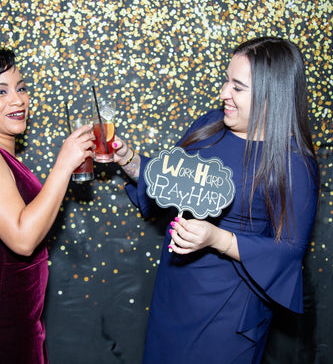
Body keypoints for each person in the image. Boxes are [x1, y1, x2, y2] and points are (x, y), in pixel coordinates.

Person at [112, 37, 319, 363]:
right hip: (176, 290)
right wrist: (130, 160)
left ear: (271, 95)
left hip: (228, 310)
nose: (224, 93)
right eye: (226, 80)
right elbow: (173, 182)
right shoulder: (210, 124)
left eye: (237, 87)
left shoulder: (292, 162)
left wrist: (216, 238)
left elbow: (290, 251)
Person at [0, 44, 95, 364]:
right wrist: (64, 165)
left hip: (8, 312)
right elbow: (23, 240)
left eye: (21, 88)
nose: (18, 100)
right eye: (1, 92)